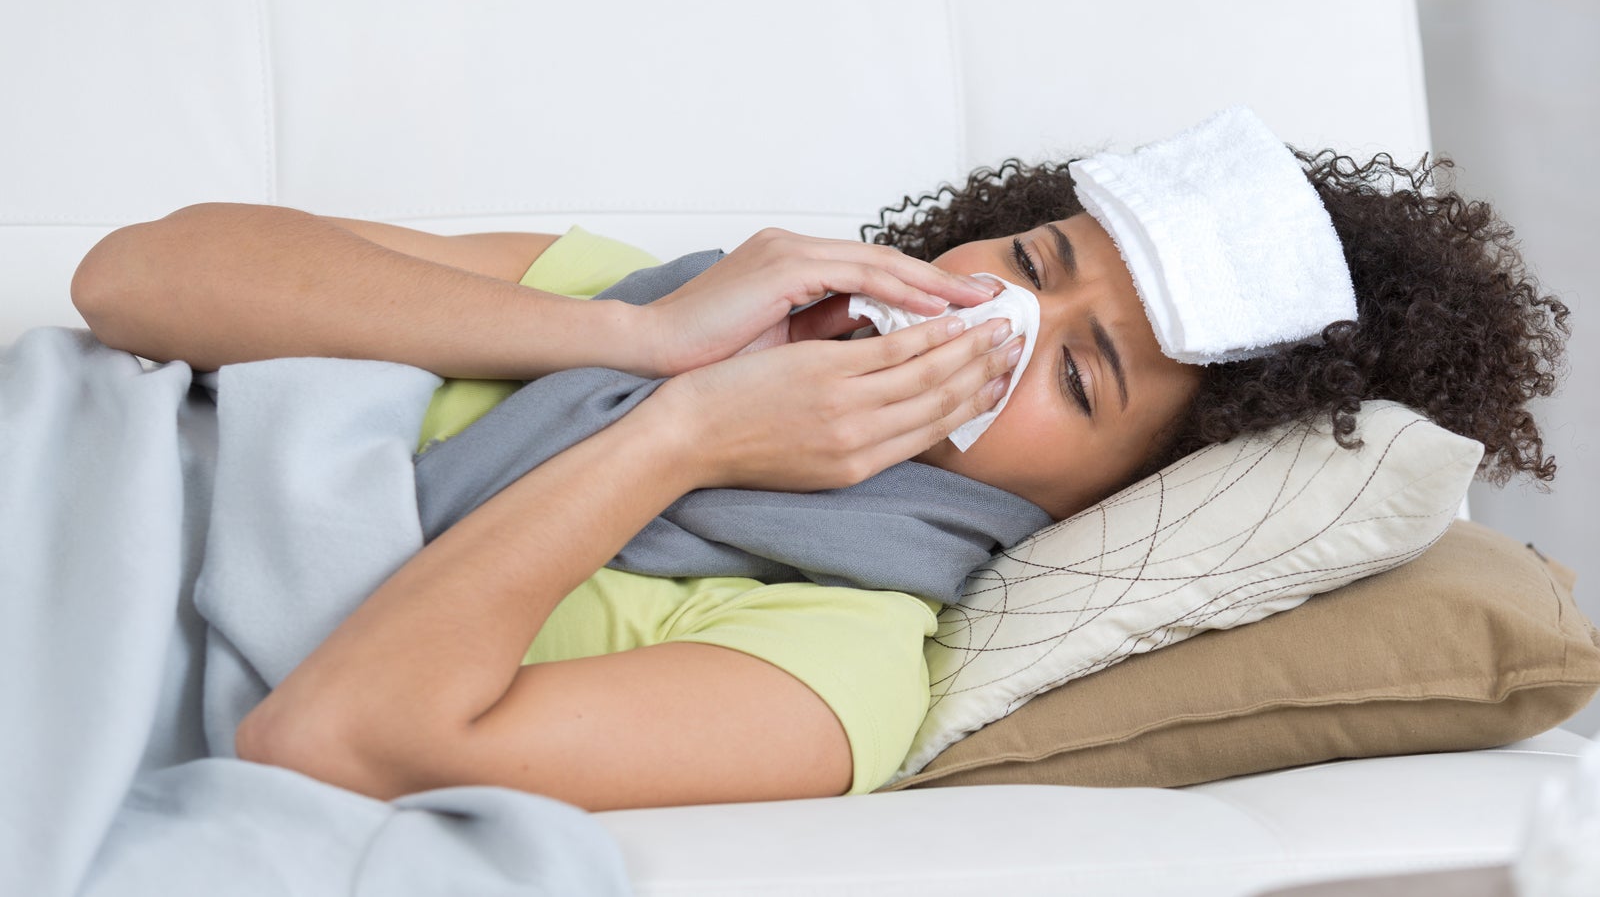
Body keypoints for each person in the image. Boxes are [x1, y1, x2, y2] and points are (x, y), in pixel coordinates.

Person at [69, 148, 1568, 812]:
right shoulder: (660, 300)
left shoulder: (837, 664)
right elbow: (133, 277)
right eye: (1031, 259)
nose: (993, 317)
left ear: (1105, 503)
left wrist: (682, 437)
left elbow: (323, 741)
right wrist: (632, 340)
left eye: (1077, 376)